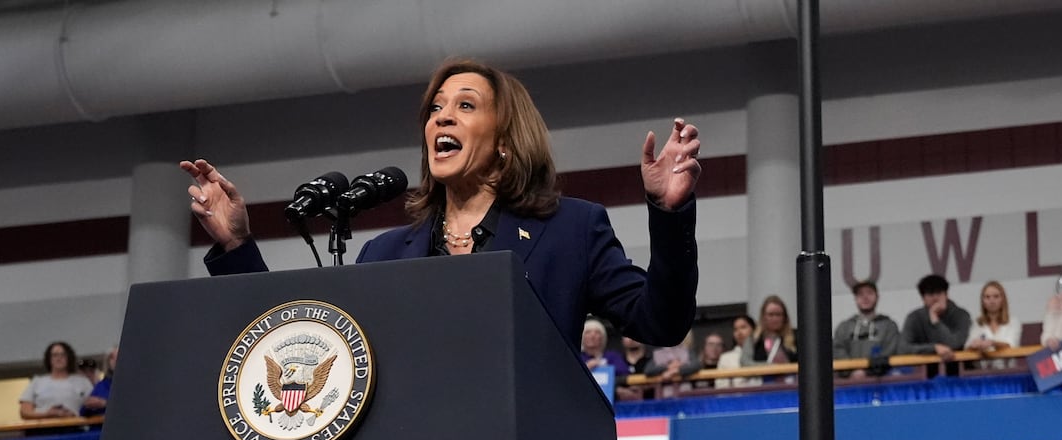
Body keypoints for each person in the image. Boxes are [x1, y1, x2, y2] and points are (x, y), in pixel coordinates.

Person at [182, 56, 701, 359]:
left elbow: (659, 323)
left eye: (465, 105)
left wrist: (668, 212)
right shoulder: (384, 255)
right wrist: (235, 246)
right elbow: (310, 349)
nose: (442, 118)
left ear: (504, 140)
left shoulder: (571, 228)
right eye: (436, 108)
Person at [832, 279, 901, 372]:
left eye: (869, 293)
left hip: (882, 382)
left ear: (877, 297)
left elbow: (890, 352)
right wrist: (852, 371)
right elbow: (837, 351)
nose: (865, 297)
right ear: (855, 299)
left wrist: (868, 372)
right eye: (860, 294)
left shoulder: (889, 326)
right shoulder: (844, 327)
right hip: (849, 383)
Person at [900, 274, 972, 362]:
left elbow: (955, 344)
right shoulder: (914, 317)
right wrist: (934, 348)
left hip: (957, 369)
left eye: (939, 293)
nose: (935, 298)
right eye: (930, 293)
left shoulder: (961, 315)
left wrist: (935, 321)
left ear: (946, 294)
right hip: (923, 370)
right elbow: (903, 348)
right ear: (923, 298)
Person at [19, 341, 92, 420]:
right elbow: (25, 412)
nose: (59, 358)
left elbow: (93, 407)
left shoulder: (83, 382)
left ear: (69, 358)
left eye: (63, 355)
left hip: (76, 428)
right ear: (49, 359)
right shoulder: (37, 382)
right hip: (44, 428)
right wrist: (47, 414)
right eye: (55, 355)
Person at [964, 280, 1021, 369]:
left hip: (1008, 373)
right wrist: (974, 345)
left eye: (996, 296)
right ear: (982, 301)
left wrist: (992, 343)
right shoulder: (978, 323)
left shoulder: (1013, 321)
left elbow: (1011, 345)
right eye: (987, 297)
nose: (992, 300)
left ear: (1003, 299)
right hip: (983, 374)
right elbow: (967, 347)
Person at [754, 294, 797, 370]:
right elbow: (746, 363)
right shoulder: (755, 339)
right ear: (763, 316)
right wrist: (768, 366)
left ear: (784, 317)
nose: (775, 318)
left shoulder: (796, 336)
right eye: (771, 315)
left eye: (778, 314)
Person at [717, 313, 760, 388]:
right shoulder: (725, 358)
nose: (739, 332)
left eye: (743, 327)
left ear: (753, 329)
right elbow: (721, 387)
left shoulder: (762, 352)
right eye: (735, 329)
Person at [81, 345, 119, 415]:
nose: (115, 359)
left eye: (118, 355)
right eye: (111, 357)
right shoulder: (102, 385)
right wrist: (88, 405)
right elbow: (83, 412)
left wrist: (105, 403)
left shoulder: (133, 384)